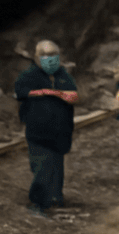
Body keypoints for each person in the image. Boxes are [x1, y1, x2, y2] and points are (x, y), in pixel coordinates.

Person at [14, 39, 79, 217]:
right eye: (44, 55)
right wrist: (46, 92)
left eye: (52, 55)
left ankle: (55, 199)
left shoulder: (62, 75)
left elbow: (73, 95)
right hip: (38, 133)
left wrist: (57, 93)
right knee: (43, 166)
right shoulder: (29, 75)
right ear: (36, 57)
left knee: (57, 167)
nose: (49, 59)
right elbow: (21, 92)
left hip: (61, 132)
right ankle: (38, 204)